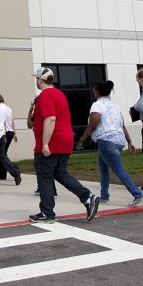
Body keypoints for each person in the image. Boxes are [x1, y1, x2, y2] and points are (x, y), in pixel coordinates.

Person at [28, 67, 100, 223]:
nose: (36, 81)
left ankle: (47, 213)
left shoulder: (45, 95)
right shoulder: (60, 94)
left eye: (37, 79)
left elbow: (51, 119)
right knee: (60, 173)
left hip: (52, 141)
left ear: (40, 80)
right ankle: (87, 197)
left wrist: (45, 144)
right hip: (65, 140)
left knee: (45, 177)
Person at [77, 81, 143, 207]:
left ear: (97, 91)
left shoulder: (97, 105)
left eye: (94, 90)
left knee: (119, 169)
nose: (93, 92)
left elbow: (92, 125)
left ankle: (137, 194)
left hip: (106, 141)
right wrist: (129, 141)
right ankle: (104, 196)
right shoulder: (114, 106)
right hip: (118, 140)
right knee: (103, 169)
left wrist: (81, 140)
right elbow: (121, 125)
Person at [0, 98, 17, 181]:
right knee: (3, 153)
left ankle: (15, 170)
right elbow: (12, 121)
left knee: (1, 154)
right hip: (11, 132)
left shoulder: (0, 109)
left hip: (5, 132)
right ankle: (2, 174)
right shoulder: (9, 108)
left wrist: (3, 135)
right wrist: (15, 133)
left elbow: (3, 122)